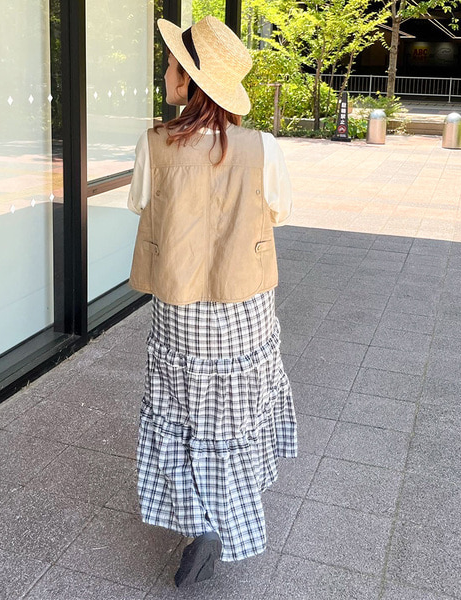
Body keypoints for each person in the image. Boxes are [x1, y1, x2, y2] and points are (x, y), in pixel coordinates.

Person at [127, 15, 297, 588]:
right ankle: (229, 511)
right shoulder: (262, 147)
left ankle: (201, 521)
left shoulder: (154, 144)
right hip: (243, 307)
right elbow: (280, 212)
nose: (165, 73)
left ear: (191, 81)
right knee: (236, 414)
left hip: (180, 308)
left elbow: (139, 204)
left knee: (180, 412)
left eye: (172, 65)